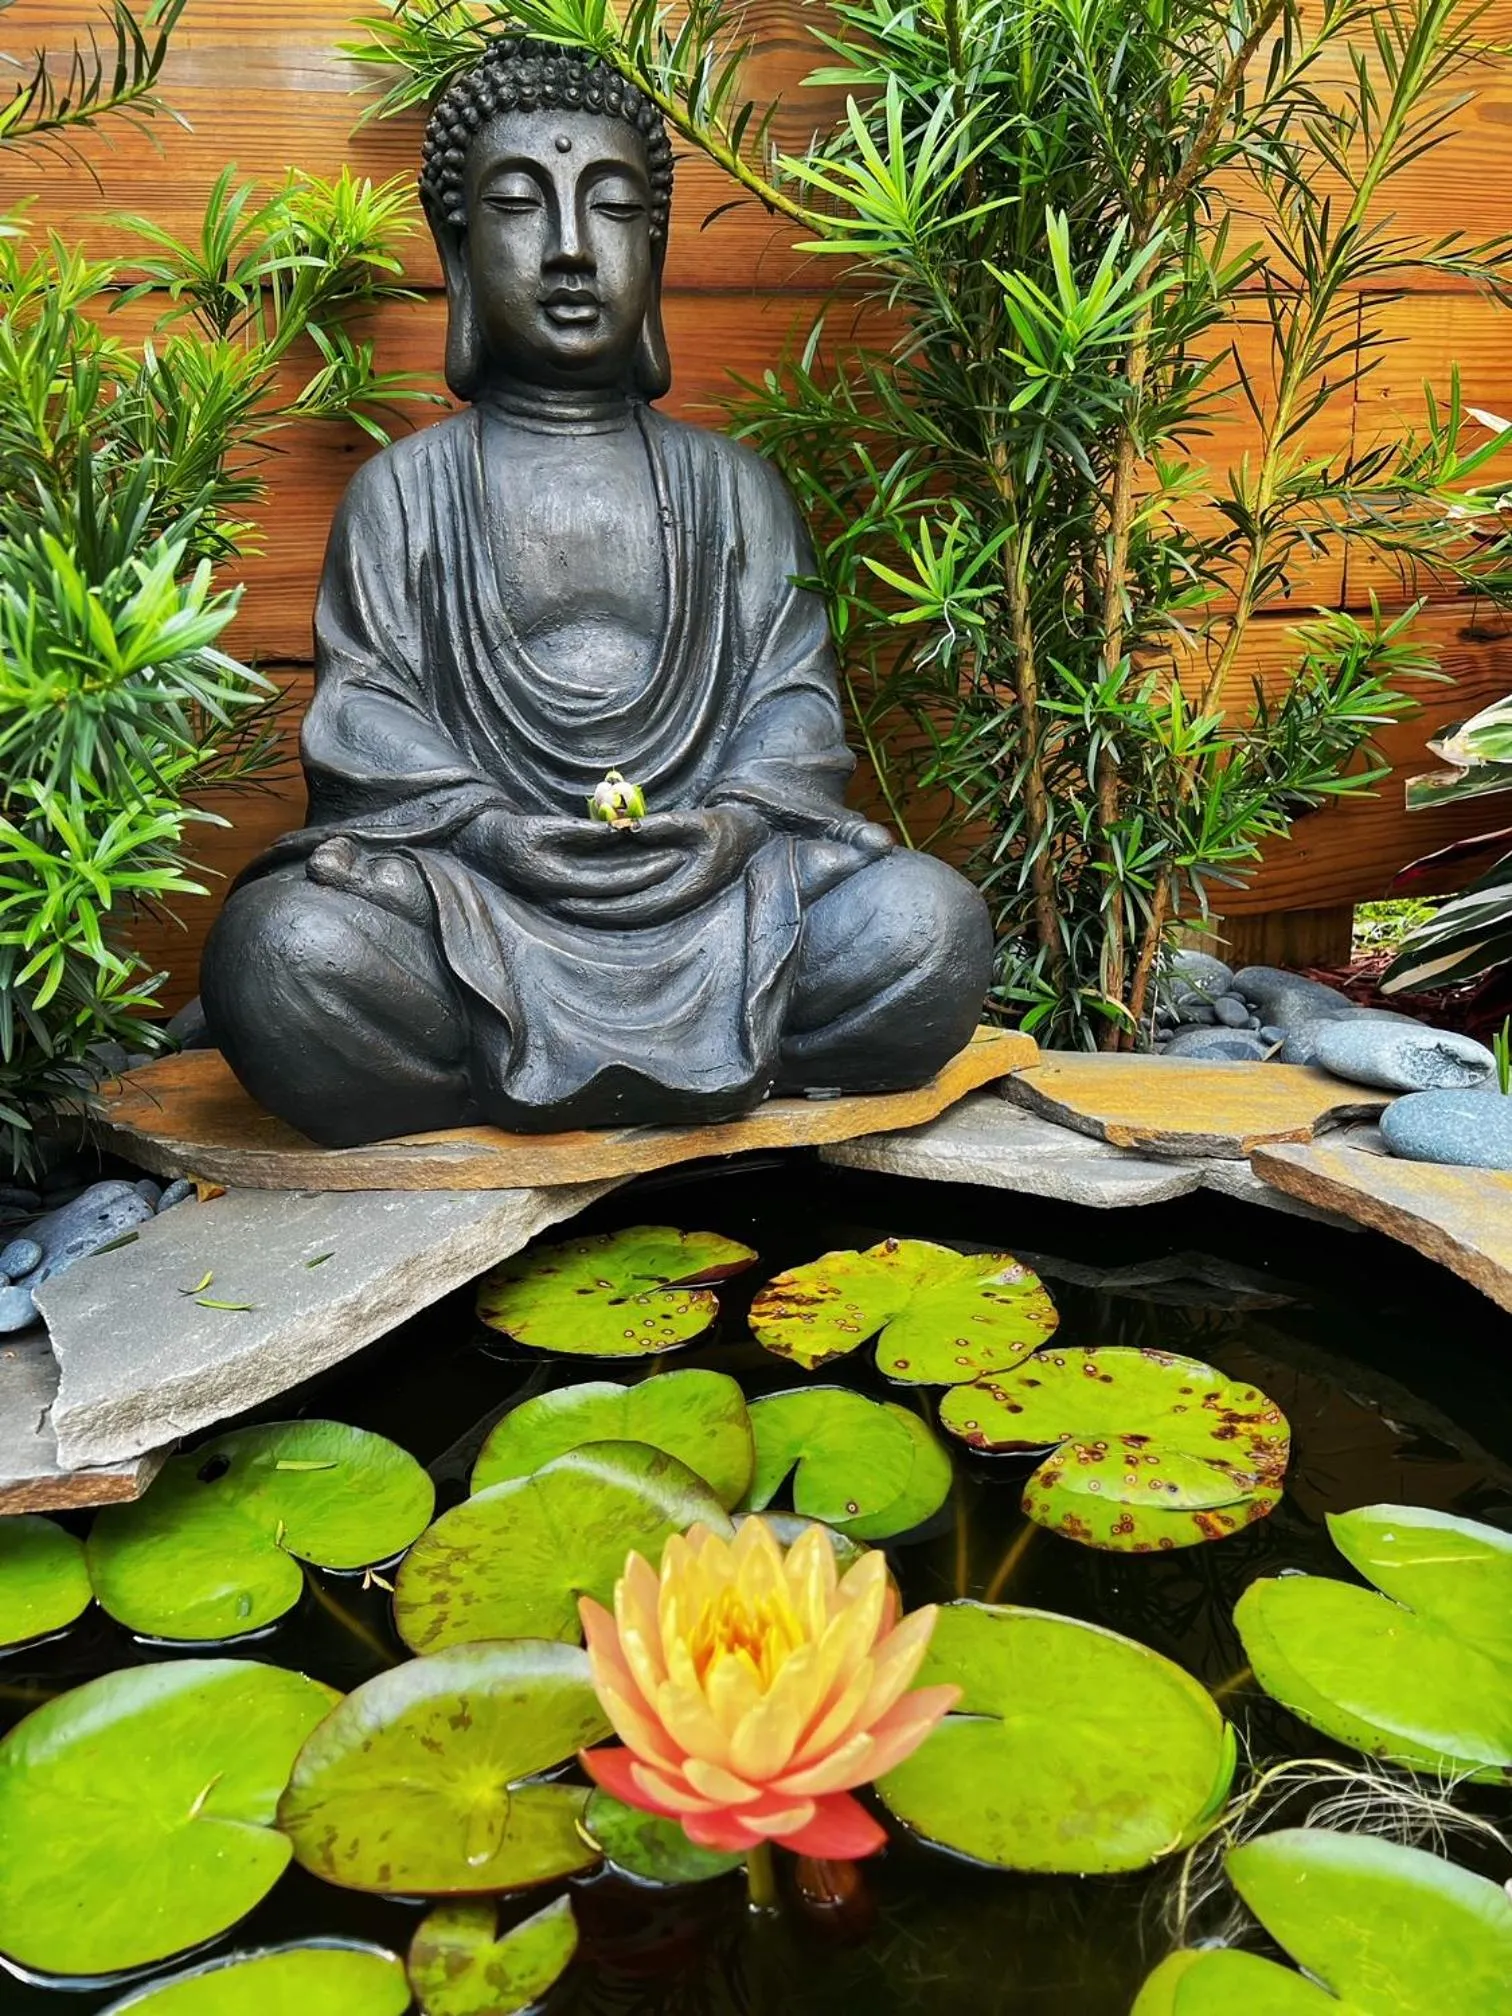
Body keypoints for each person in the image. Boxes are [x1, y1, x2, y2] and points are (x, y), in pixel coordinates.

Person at [201, 37, 992, 1147]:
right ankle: (647, 1061)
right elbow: (363, 714)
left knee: (928, 926)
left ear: (654, 247)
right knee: (282, 954)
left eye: (613, 208)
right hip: (480, 890)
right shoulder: (404, 492)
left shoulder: (732, 486)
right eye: (522, 206)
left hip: (715, 884)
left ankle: (519, 1074)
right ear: (460, 245)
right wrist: (482, 829)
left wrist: (733, 821)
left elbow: (791, 707)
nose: (571, 251)